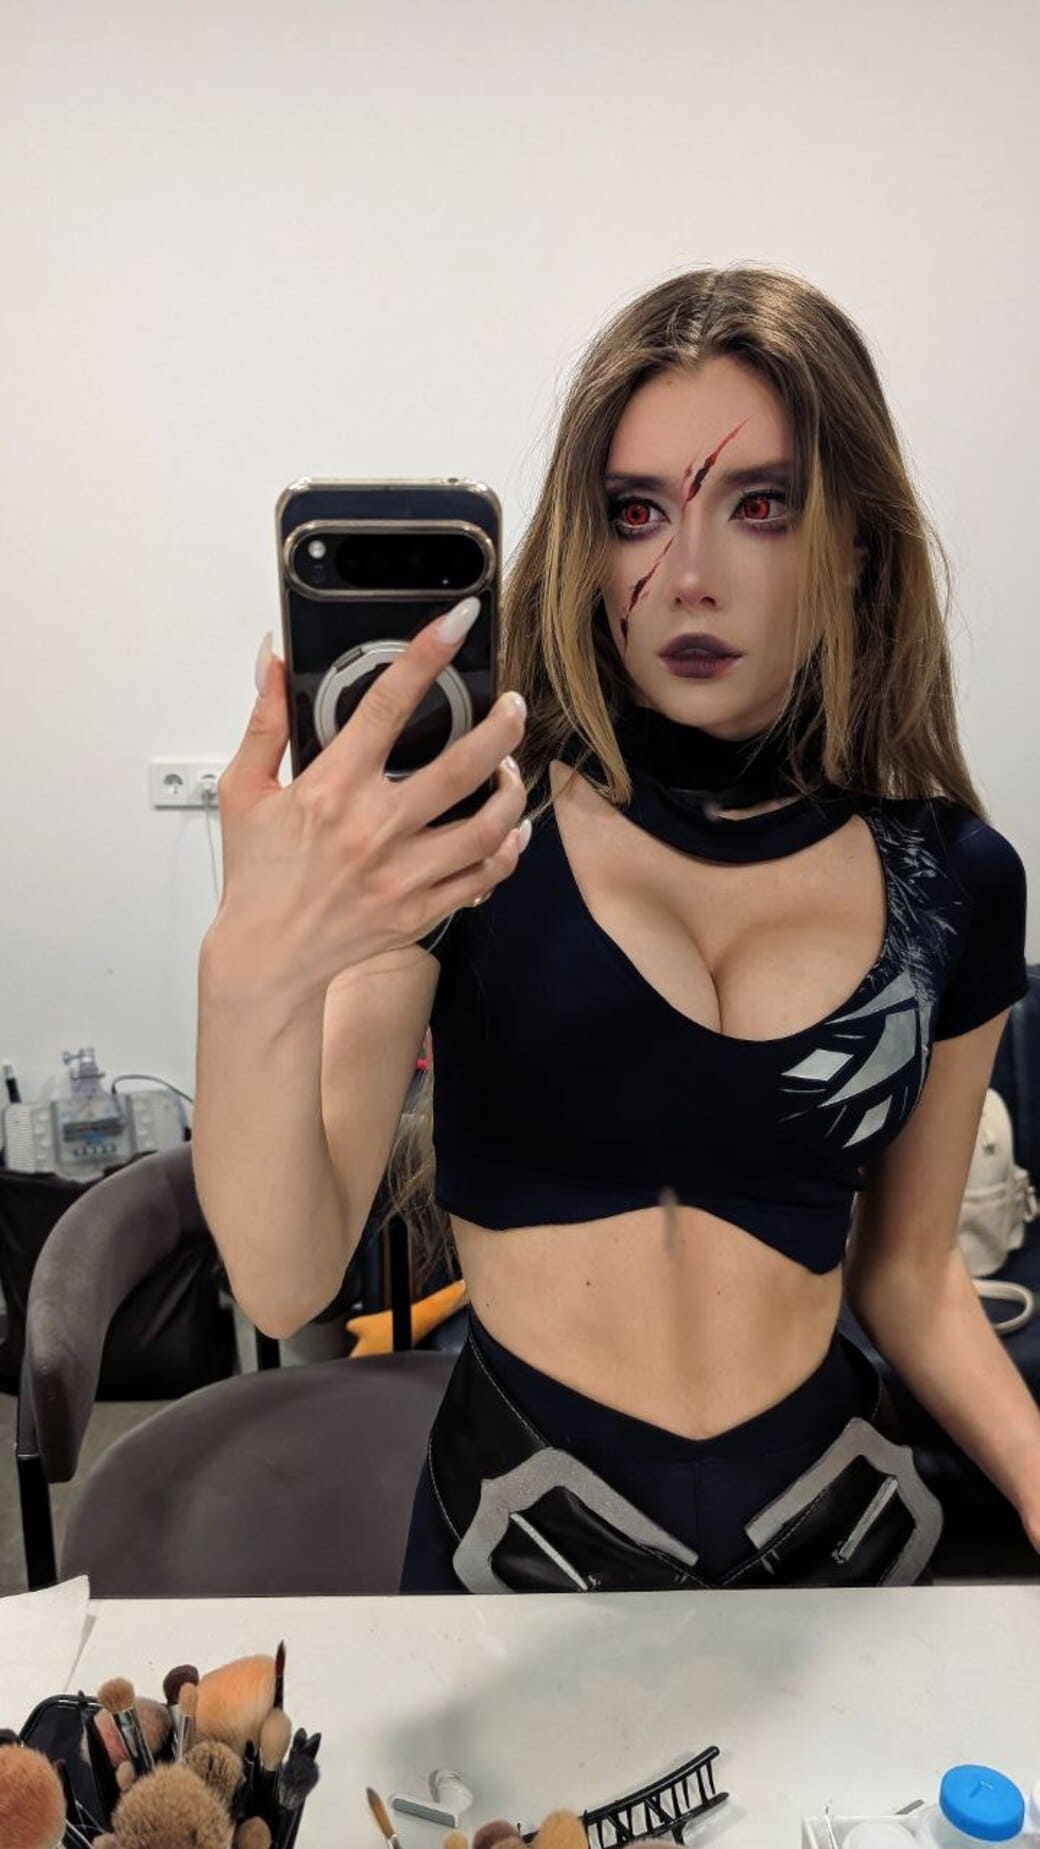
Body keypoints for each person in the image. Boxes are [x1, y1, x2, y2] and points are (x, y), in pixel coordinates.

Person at [194, 264, 1034, 1594]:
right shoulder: (474, 831)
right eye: (635, 513)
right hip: (522, 1553)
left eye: (761, 505)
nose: (687, 577)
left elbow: (915, 1277)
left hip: (837, 1550)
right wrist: (251, 963)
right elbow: (286, 1279)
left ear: (859, 541)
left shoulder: (955, 880)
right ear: (587, 549)